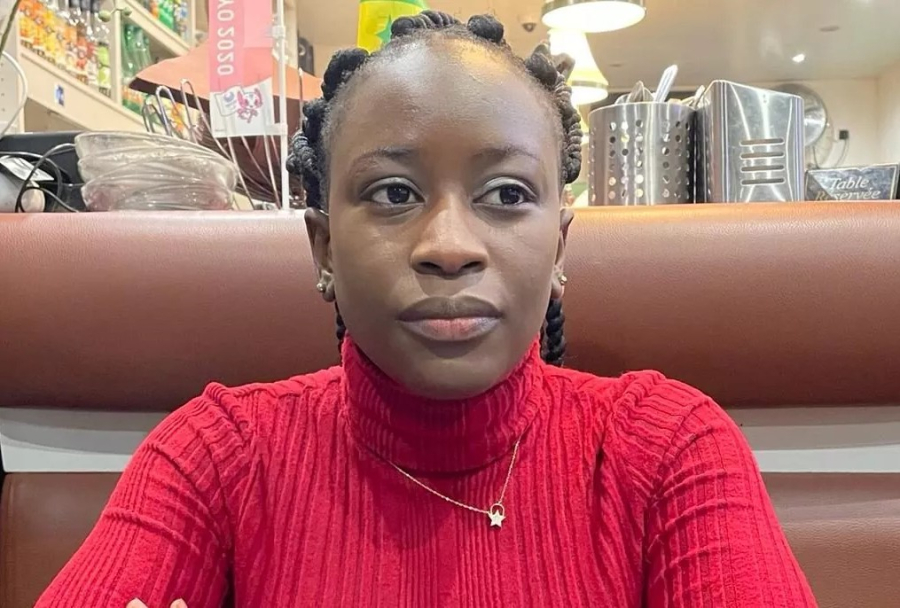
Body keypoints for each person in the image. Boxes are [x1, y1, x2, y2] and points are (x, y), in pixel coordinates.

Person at [37, 12, 817, 608]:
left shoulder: (670, 452)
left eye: (506, 194)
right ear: (324, 249)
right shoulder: (214, 457)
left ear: (559, 247)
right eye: (393, 193)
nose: (448, 246)